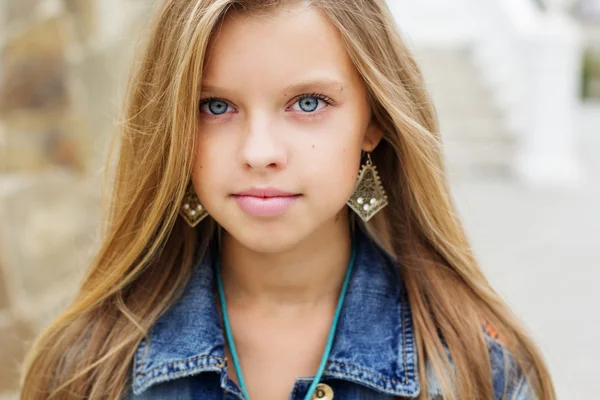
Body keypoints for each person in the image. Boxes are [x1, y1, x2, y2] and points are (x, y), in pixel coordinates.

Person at [20, 1, 556, 399]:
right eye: (214, 107)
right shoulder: (89, 366)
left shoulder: (478, 367)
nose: (259, 152)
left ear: (373, 121)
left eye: (307, 102)